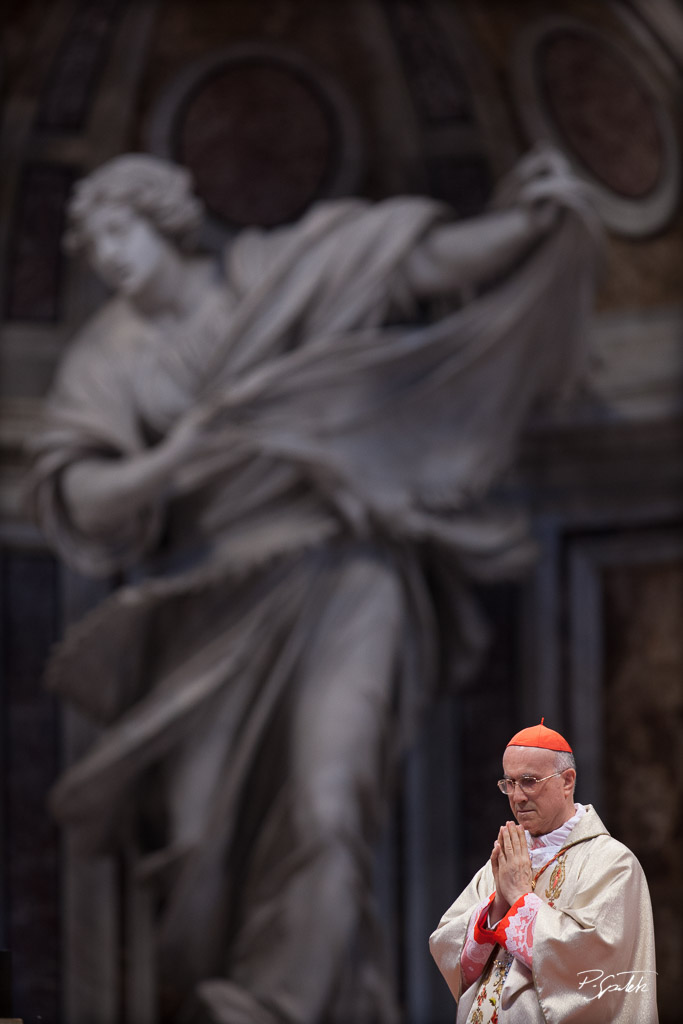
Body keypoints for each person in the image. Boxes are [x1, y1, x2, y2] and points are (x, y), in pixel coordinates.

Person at [28, 150, 602, 1024]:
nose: (105, 255)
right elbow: (75, 491)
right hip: (207, 603)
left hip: (341, 574)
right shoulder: (110, 360)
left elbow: (413, 262)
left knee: (329, 810)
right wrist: (175, 460)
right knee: (195, 842)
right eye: (90, 242)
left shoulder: (278, 272)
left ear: (163, 219)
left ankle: (276, 1007)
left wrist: (522, 225)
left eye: (116, 230)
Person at [429, 720, 658, 1023]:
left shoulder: (612, 863)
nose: (517, 796)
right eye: (508, 783)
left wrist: (520, 899)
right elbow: (447, 944)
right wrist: (497, 905)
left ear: (567, 781)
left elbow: (595, 964)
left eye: (529, 781)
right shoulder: (508, 859)